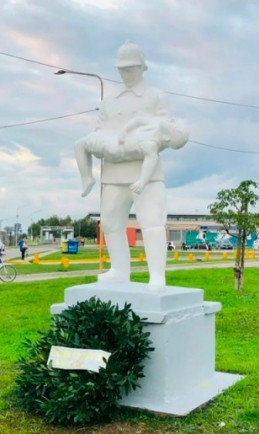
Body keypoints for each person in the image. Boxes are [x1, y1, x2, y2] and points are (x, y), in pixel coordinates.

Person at [75, 41, 182, 290]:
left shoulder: (156, 97)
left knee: (152, 223)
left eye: (131, 68)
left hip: (147, 173)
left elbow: (167, 131)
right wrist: (107, 146)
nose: (126, 73)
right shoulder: (109, 102)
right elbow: (99, 131)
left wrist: (141, 143)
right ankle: (119, 271)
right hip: (113, 173)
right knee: (111, 223)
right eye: (122, 69)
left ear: (142, 67)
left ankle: (157, 275)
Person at [75, 116, 188, 197]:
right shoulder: (155, 124)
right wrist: (124, 131)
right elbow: (138, 120)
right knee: (81, 144)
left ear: (167, 138)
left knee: (80, 144)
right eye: (175, 123)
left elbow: (151, 160)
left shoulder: (151, 145)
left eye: (174, 127)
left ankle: (87, 179)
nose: (172, 121)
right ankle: (87, 178)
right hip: (114, 138)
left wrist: (142, 182)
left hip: (113, 148)